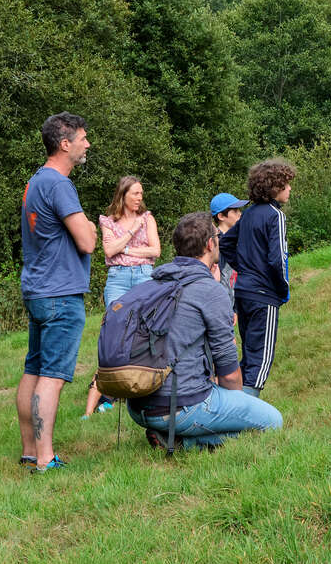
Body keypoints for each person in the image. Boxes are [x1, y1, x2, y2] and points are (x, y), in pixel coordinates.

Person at [127, 212, 282, 451]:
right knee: (272, 422)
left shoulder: (154, 284)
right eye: (217, 237)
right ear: (210, 244)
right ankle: (183, 441)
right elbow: (229, 374)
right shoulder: (209, 290)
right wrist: (237, 403)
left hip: (138, 405)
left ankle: (169, 432)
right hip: (179, 406)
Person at [16, 112, 97, 473]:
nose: (87, 144)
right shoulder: (59, 184)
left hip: (37, 289)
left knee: (33, 369)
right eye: (82, 138)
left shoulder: (35, 181)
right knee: (51, 375)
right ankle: (45, 459)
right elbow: (87, 241)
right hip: (60, 293)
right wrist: (91, 227)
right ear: (65, 144)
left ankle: (29, 452)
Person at [84, 176, 161, 417]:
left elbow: (156, 250)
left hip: (144, 275)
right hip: (117, 278)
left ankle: (142, 385)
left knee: (144, 330)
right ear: (123, 195)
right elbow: (109, 250)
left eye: (141, 193)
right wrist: (133, 232)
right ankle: (108, 391)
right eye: (135, 193)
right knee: (115, 331)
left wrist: (125, 248)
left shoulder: (147, 218)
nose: (140, 198)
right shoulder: (108, 221)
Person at [219, 159, 296, 397]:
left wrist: (245, 268)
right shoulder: (276, 216)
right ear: (274, 187)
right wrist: (283, 289)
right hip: (265, 295)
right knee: (261, 361)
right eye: (286, 184)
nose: (290, 189)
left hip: (243, 292)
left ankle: (235, 403)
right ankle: (244, 411)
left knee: (249, 355)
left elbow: (225, 243)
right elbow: (277, 259)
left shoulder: (249, 214)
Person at [209, 192, 248, 310]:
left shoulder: (237, 239)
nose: (240, 214)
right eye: (235, 211)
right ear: (221, 216)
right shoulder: (216, 243)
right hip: (222, 304)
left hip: (236, 300)